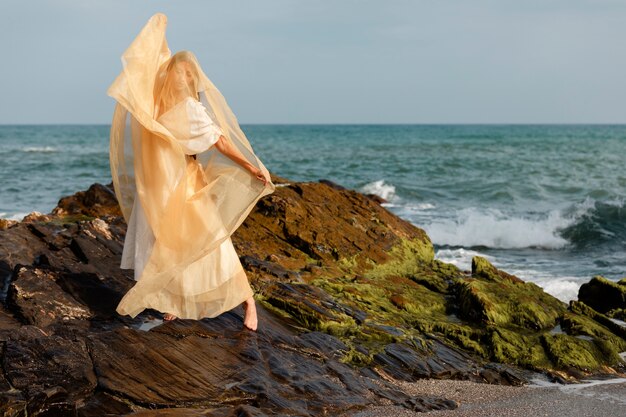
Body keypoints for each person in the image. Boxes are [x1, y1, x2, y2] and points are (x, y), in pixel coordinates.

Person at [108, 13, 275, 331]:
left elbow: (221, 142)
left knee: (209, 241)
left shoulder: (187, 109)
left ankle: (248, 302)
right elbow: (150, 63)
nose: (181, 77)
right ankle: (174, 299)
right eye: (182, 73)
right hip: (162, 185)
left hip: (182, 184)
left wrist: (251, 167)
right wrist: (159, 30)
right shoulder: (159, 107)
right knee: (165, 244)